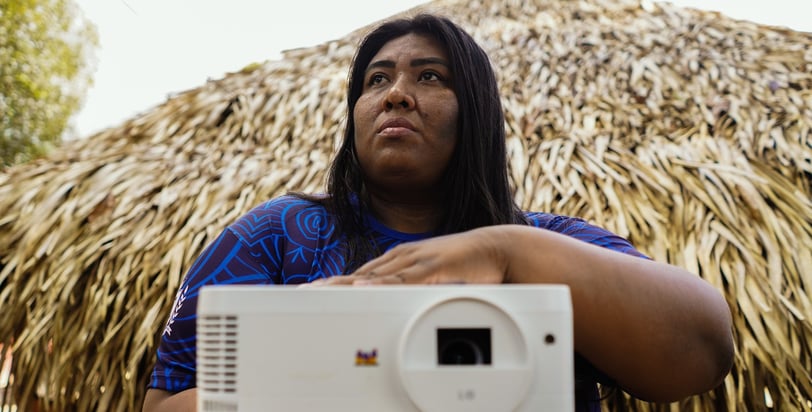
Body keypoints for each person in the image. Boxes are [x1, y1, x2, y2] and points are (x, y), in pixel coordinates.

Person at [142, 14, 734, 412]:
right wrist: (307, 360)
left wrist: (507, 252)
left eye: (429, 77)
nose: (395, 93)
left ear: (473, 111)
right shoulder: (269, 237)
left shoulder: (549, 244)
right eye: (377, 80)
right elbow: (161, 404)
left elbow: (704, 351)